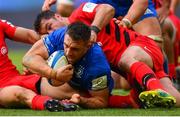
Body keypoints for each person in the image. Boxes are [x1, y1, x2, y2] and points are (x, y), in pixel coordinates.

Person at [33, 3, 178, 108]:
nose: (50, 33)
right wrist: (48, 71)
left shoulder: (80, 12)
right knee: (173, 100)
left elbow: (107, 9)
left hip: (143, 47)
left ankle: (155, 87)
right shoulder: (63, 41)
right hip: (137, 70)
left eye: (49, 27)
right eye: (46, 33)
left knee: (125, 60)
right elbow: (31, 56)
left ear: (58, 16)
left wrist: (94, 30)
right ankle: (150, 91)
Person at [23, 22, 114, 108]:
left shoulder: (97, 68)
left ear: (88, 46)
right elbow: (27, 58)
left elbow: (101, 101)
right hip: (63, 82)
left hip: (84, 89)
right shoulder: (62, 35)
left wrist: (81, 101)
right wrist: (53, 74)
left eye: (75, 49)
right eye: (66, 45)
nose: (68, 52)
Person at [0, 19, 81, 111]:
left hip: (18, 79)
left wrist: (56, 39)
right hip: (2, 89)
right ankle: (53, 104)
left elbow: (30, 36)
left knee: (67, 89)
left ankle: (74, 100)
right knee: (20, 93)